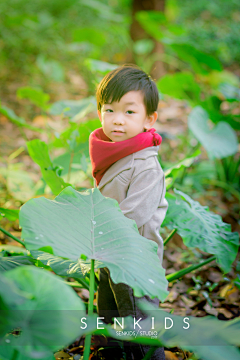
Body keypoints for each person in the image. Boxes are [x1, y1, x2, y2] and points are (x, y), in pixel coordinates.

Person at [89, 64, 168, 360]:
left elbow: (132, 215)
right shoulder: (114, 153)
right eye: (109, 110)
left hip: (134, 258)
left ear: (150, 119)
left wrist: (92, 230)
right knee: (109, 311)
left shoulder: (146, 166)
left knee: (138, 322)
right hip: (109, 252)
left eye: (129, 112)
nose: (117, 120)